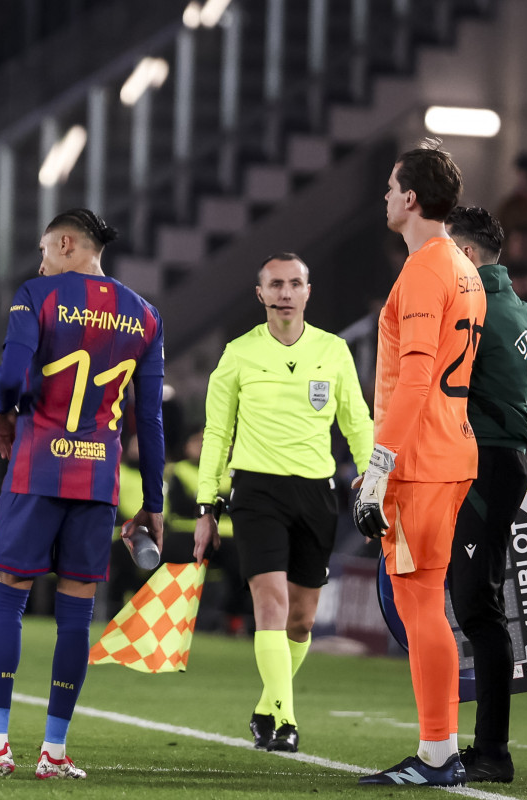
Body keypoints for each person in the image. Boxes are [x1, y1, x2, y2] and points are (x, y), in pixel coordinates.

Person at [0, 208, 165, 780]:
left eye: (44, 250)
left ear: (66, 243)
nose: (39, 263)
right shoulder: (146, 316)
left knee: (7, 598)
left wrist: (1, 414)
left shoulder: (38, 294)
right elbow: (151, 421)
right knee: (75, 616)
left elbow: (12, 373)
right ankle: (55, 754)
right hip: (98, 483)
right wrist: (154, 502)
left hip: (38, 471)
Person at [192, 253, 373, 754]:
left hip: (316, 494)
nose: (286, 293)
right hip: (256, 492)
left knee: (302, 620)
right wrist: (207, 504)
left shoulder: (334, 351)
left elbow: (357, 422)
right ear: (261, 294)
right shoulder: (238, 354)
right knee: (270, 605)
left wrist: (373, 475)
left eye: (295, 284)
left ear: (308, 292)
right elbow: (216, 432)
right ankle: (287, 721)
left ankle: (266, 706)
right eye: (276, 285)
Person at [356, 140, 487, 787]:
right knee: (424, 602)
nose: (383, 196)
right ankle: (441, 749)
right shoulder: (464, 268)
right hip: (451, 450)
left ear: (409, 198)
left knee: (418, 605)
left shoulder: (423, 271)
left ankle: (438, 753)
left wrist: (378, 468)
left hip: (420, 459)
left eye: (388, 187)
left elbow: (412, 382)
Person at [444, 206, 527, 782]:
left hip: (479, 466)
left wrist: (493, 430)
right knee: (476, 603)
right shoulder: (524, 311)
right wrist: (517, 425)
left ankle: (491, 750)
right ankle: (476, 745)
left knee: (478, 609)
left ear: (465, 255)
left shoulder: (472, 306)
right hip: (503, 461)